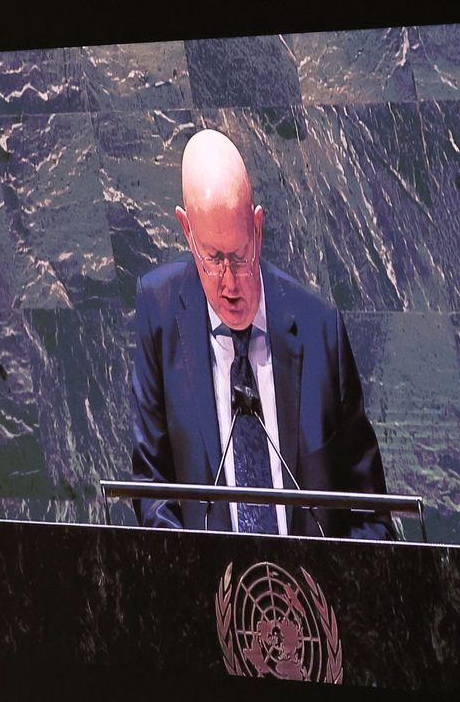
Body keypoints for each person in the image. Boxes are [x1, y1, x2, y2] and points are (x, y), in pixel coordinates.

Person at [129, 129, 393, 539]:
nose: (230, 282)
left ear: (257, 226)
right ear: (186, 230)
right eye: (213, 259)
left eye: (239, 255)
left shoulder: (320, 328)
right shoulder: (159, 314)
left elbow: (372, 514)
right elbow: (153, 489)